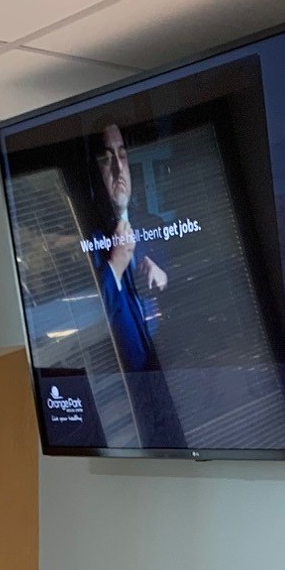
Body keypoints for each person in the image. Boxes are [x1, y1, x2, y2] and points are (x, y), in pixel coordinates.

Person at [77, 120, 184, 448]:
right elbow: (85, 323)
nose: (117, 166)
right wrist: (116, 266)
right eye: (107, 157)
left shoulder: (154, 226)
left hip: (176, 388)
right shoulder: (84, 240)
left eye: (122, 155)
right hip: (123, 408)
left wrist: (165, 281)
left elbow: (190, 309)